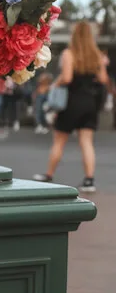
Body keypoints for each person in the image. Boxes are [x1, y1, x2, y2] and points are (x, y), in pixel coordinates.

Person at [33, 20, 109, 192]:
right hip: (89, 102)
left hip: (72, 102)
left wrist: (55, 84)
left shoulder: (70, 53)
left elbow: (67, 78)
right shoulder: (96, 54)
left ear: (74, 35)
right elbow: (103, 79)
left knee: (59, 140)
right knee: (86, 142)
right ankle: (89, 180)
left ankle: (49, 174)